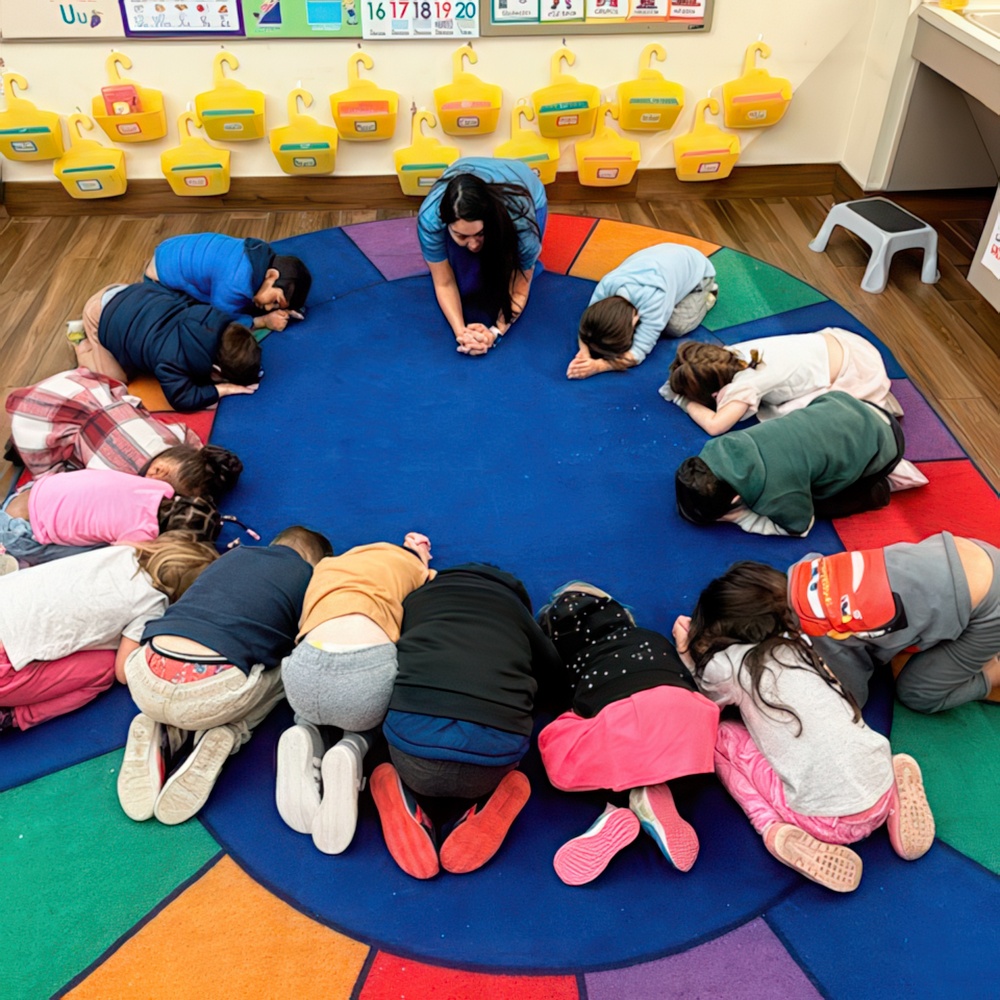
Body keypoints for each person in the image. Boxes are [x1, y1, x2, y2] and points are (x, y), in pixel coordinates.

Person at [672, 561, 935, 893]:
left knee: (720, 738)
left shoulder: (730, 666)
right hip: (878, 782)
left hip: (822, 820)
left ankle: (772, 828)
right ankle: (893, 799)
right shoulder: (799, 642)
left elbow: (706, 700)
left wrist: (687, 651)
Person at [117, 526, 330, 826]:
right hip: (212, 690)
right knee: (291, 664)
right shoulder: (307, 578)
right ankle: (231, 732)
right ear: (314, 562)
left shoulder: (232, 557)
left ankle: (163, 728)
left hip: (146, 672)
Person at [369, 562, 565, 880]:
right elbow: (555, 681)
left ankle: (404, 794)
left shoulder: (417, 599)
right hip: (492, 758)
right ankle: (485, 802)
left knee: (388, 721)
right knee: (508, 732)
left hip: (413, 752)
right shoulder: (515, 610)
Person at [535, 583, 720, 886]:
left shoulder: (575, 662)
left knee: (558, 740)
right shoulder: (652, 639)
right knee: (680, 734)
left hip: (622, 729)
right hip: (690, 735)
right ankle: (654, 795)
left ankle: (617, 805)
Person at [275, 533, 435, 855]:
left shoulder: (326, 568)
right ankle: (352, 747)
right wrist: (420, 556)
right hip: (363, 675)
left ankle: (305, 730)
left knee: (312, 698)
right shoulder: (412, 570)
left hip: (303, 670)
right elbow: (427, 594)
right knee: (376, 711)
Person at [0, 532, 217, 733]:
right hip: (3, 668)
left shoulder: (123, 551)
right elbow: (123, 673)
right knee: (104, 668)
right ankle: (14, 716)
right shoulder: (152, 603)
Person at [788, 532, 1000, 714]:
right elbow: (917, 694)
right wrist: (989, 679)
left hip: (803, 578)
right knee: (847, 704)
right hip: (816, 632)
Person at [675, 391, 918, 537]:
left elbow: (801, 527)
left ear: (735, 500)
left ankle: (879, 490)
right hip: (848, 404)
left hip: (885, 445)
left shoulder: (775, 494)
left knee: (820, 502)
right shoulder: (722, 445)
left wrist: (741, 519)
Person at [417, 157, 547, 356]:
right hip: (466, 173)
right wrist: (462, 332)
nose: (473, 244)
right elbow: (443, 282)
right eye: (462, 236)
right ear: (446, 225)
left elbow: (520, 288)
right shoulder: (430, 219)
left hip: (525, 189)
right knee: (467, 282)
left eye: (480, 234)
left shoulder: (519, 217)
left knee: (504, 275)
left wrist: (496, 332)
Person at [660, 329, 901, 435]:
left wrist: (682, 400)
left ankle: (873, 402)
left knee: (801, 419)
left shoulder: (745, 384)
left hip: (857, 371)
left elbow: (716, 426)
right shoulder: (731, 353)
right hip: (848, 343)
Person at [70, 282, 262, 412]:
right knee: (114, 381)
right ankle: (81, 342)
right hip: (100, 311)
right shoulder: (172, 358)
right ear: (216, 371)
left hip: (133, 291)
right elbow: (182, 398)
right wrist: (222, 389)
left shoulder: (212, 318)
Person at [0, 468, 220, 567]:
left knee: (101, 523)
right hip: (20, 533)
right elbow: (117, 562)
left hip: (34, 489)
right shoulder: (142, 534)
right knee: (102, 555)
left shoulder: (160, 487)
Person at [568, 244, 718, 380]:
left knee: (675, 327)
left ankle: (708, 295)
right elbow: (587, 325)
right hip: (666, 260)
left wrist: (599, 366)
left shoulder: (654, 300)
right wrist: (584, 353)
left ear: (635, 321)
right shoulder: (608, 284)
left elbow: (637, 353)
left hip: (699, 274)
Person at [144, 233, 311, 334]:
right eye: (275, 302)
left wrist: (284, 307)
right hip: (159, 282)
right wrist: (263, 321)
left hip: (169, 247)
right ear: (271, 275)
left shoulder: (257, 253)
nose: (268, 308)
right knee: (196, 326)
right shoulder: (235, 283)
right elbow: (221, 319)